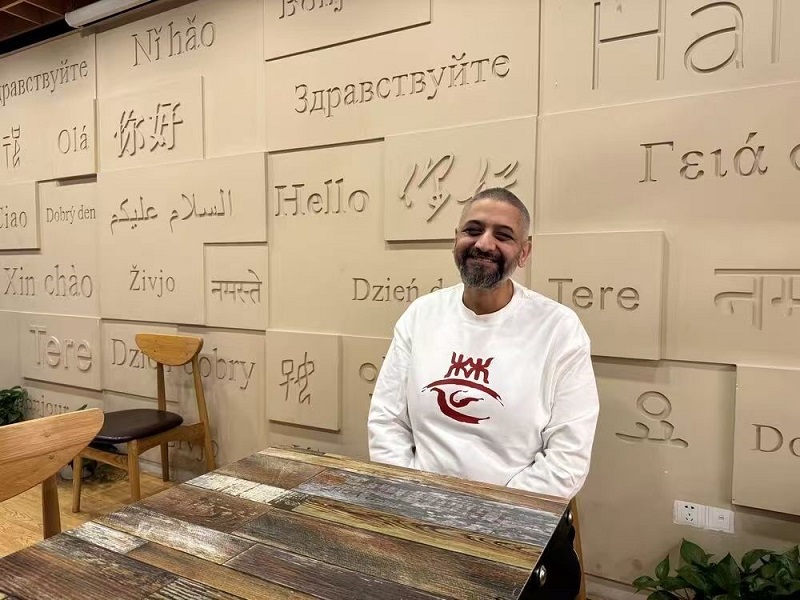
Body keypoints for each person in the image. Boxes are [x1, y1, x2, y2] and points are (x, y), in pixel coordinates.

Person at [367, 187, 599, 499]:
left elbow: (567, 460)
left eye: (503, 235)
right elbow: (387, 420)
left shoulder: (559, 329)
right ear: (456, 239)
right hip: (416, 504)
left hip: (513, 515)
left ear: (524, 252)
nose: (484, 244)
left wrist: (492, 514)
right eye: (473, 230)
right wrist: (411, 496)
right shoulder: (422, 314)